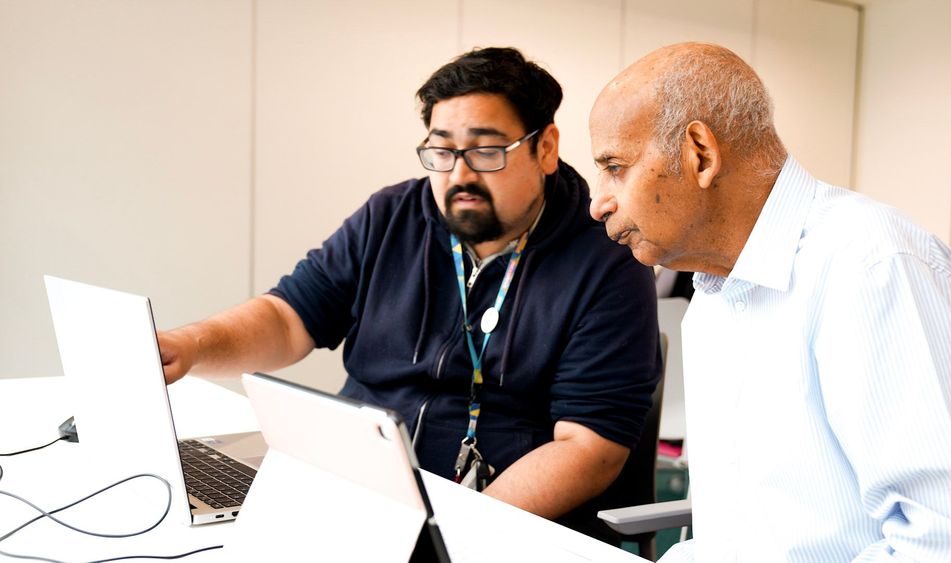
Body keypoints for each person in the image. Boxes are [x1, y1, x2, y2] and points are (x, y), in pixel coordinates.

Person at [158, 47, 660, 538]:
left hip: (495, 525)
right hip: (357, 496)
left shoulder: (608, 260)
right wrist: (190, 347)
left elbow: (587, 448)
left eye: (485, 151)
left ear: (545, 148)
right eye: (441, 152)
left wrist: (451, 536)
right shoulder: (391, 215)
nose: (459, 176)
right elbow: (289, 318)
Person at [588, 42, 951, 561]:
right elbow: (740, 535)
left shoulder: (871, 267)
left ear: (700, 154)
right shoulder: (714, 298)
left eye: (615, 167)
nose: (598, 203)